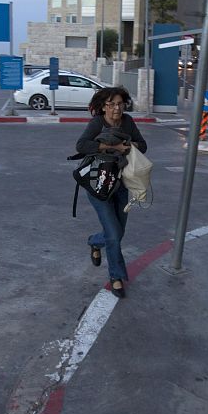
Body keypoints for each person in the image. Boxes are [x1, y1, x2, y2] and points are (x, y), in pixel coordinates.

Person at [76, 87, 147, 298]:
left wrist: (130, 145)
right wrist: (113, 147)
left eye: (119, 103)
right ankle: (116, 277)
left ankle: (94, 241)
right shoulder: (97, 122)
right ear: (103, 106)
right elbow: (81, 145)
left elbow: (143, 145)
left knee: (117, 233)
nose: (116, 108)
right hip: (99, 185)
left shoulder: (128, 122)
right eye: (111, 104)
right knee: (114, 234)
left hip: (123, 184)